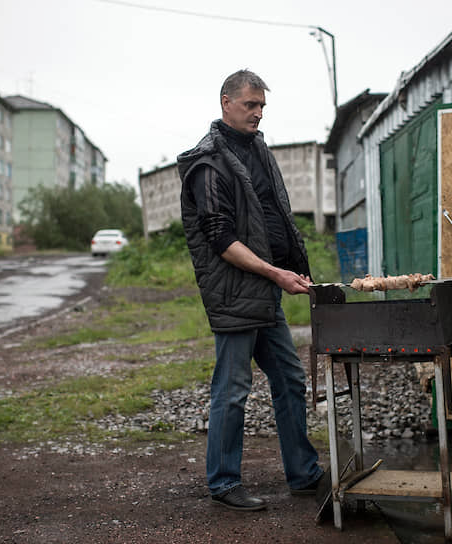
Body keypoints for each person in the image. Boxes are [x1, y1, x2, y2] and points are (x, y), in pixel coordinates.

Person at [177, 69, 324, 511]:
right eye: (250, 105)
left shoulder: (256, 149)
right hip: (237, 291)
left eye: (262, 106)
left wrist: (293, 267)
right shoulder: (208, 163)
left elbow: (274, 214)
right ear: (226, 103)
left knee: (289, 377)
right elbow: (220, 238)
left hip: (266, 289)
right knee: (233, 387)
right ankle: (223, 482)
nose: (258, 114)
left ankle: (304, 474)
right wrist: (275, 273)